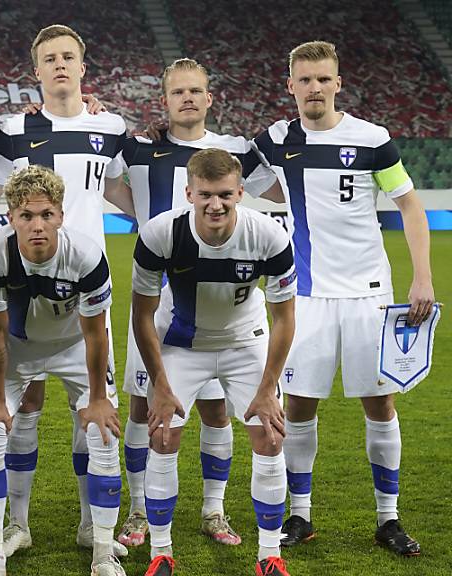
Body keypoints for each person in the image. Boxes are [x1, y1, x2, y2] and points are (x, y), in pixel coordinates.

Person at [251, 41, 433, 556]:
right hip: (306, 296)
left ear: (338, 83)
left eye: (322, 79)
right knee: (299, 406)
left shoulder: (373, 139)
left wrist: (422, 277)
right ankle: (301, 515)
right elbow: (222, 156)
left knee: (380, 404)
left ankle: (388, 519)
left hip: (368, 296)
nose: (314, 88)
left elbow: (411, 208)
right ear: (290, 86)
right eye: (304, 79)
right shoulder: (276, 140)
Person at [0, 24, 133, 557]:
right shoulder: (14, 128)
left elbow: (120, 188)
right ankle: (17, 526)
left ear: (82, 67)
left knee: (91, 412)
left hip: (88, 285)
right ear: (37, 70)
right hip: (25, 283)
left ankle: (94, 527)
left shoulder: (111, 126)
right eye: (50, 58)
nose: (60, 64)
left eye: (68, 56)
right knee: (26, 408)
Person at [115, 57, 279, 548]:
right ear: (163, 101)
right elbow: (99, 182)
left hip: (222, 301)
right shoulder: (138, 151)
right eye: (176, 92)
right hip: (159, 299)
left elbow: (274, 187)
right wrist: (143, 215)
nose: (186, 98)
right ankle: (139, 511)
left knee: (214, 412)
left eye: (195, 91)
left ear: (209, 98)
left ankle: (214, 509)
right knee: (146, 409)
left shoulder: (234, 152)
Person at [132, 148, 297, 576]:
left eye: (225, 194)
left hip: (245, 343)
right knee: (163, 436)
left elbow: (284, 318)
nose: (215, 204)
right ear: (189, 192)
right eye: (205, 194)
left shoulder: (270, 237)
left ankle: (269, 555)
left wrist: (267, 389)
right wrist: (161, 386)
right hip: (183, 344)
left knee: (270, 437)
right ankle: (161, 553)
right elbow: (142, 315)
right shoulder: (159, 235)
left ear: (241, 192)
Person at [0, 165, 122, 576]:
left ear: (60, 215)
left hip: (75, 345)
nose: (37, 225)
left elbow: (95, 334)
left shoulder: (88, 256)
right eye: (26, 216)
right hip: (18, 349)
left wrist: (96, 399)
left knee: (102, 432)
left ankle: (100, 546)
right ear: (11, 218)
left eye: (46, 215)